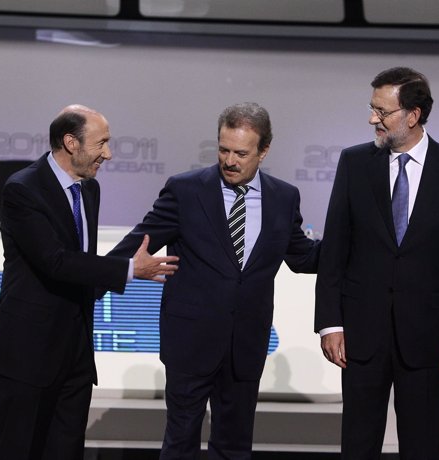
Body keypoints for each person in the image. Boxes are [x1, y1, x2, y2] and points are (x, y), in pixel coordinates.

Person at [106, 102, 320, 459]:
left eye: (241, 152)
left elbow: (301, 256)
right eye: (223, 150)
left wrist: (354, 248)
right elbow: (135, 246)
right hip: (190, 343)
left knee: (234, 447)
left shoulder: (284, 198)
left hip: (246, 346)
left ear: (263, 151)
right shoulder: (185, 190)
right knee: (180, 443)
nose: (230, 161)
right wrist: (97, 277)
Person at [0, 104, 179, 460]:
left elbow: (80, 262)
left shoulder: (89, 189)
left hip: (75, 355)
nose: (109, 154)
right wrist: (129, 269)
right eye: (101, 143)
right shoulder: (23, 189)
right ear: (71, 142)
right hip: (27, 353)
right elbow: (55, 261)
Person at [315, 67, 439, 460]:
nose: (373, 118)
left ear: (413, 114)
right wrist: (330, 322)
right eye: (372, 108)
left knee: (421, 446)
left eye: (382, 111)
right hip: (361, 335)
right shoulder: (354, 163)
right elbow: (335, 249)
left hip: (427, 338)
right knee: (358, 444)